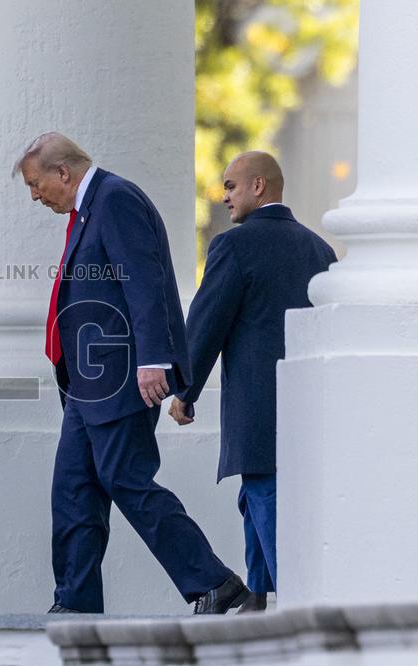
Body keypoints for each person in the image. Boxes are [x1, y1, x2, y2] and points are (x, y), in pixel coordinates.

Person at [14, 132, 247, 614]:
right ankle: (76, 604)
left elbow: (143, 280)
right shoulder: (89, 208)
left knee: (128, 481)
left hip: (120, 379)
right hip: (87, 386)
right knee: (73, 489)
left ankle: (215, 582)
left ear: (64, 172)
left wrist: (152, 361)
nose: (35, 196)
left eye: (37, 184)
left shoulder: (115, 199)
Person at [168, 151, 337, 612]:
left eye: (230, 186)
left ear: (259, 186)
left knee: (263, 491)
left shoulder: (233, 246)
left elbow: (207, 322)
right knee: (257, 492)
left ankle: (290, 599)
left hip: (256, 398)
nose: (224, 197)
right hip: (308, 397)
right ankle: (258, 593)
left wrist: (184, 391)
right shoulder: (320, 249)